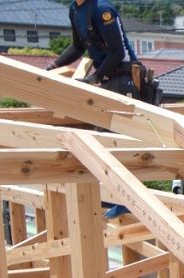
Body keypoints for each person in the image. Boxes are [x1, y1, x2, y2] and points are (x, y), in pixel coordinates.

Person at [51, 0, 144, 218]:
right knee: (101, 138)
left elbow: (118, 52)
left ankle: (127, 200)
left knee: (112, 140)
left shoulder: (102, 10)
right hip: (107, 79)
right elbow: (78, 46)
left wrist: (95, 77)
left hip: (124, 78)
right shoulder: (75, 9)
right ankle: (116, 197)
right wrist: (53, 67)